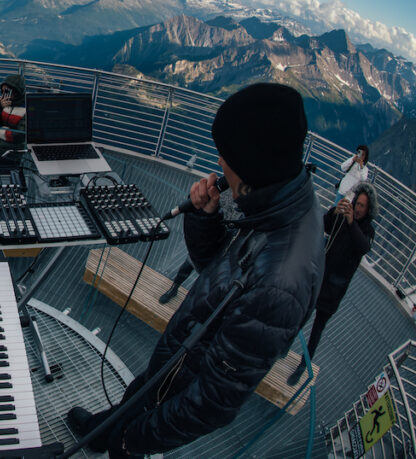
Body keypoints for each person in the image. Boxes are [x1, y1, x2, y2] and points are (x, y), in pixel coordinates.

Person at [67, 83, 324, 458]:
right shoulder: (278, 206)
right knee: (139, 393)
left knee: (134, 429)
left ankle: (116, 439)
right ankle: (100, 433)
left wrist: (134, 439)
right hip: (179, 361)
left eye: (227, 155)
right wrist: (207, 218)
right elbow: (222, 280)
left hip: (185, 379)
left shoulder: (280, 283)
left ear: (252, 163)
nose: (220, 163)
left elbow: (212, 402)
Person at [287, 181, 377, 385]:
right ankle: (284, 346)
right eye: (357, 203)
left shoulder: (367, 230)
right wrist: (333, 212)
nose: (358, 208)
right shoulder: (343, 216)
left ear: (369, 209)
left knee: (318, 327)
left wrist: (352, 222)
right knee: (301, 314)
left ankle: (303, 365)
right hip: (321, 276)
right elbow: (324, 225)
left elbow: (362, 247)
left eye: (363, 206)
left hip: (335, 288)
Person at [0, 74, 26, 170]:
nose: (3, 95)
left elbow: (18, 136)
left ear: (16, 92)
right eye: (2, 91)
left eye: (7, 91)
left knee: (8, 180)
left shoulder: (25, 109)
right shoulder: (3, 104)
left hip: (10, 154)